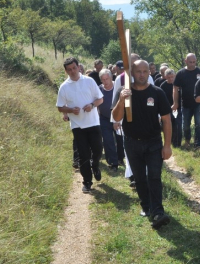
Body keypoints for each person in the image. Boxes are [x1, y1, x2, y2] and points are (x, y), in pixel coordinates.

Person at [112, 60, 173, 229]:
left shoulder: (157, 92)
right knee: (139, 178)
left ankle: (158, 212)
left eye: (145, 71)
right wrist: (122, 100)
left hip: (153, 142)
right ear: (132, 73)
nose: (142, 74)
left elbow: (167, 120)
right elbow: (116, 117)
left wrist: (167, 145)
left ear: (149, 73)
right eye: (138, 71)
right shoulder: (124, 92)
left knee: (154, 176)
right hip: (131, 142)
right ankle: (146, 207)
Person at [57, 57, 104, 193]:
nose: (72, 71)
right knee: (83, 155)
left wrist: (92, 105)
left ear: (79, 67)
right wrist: (71, 110)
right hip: (77, 126)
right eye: (69, 69)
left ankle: (95, 165)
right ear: (66, 71)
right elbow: (60, 107)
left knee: (97, 150)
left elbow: (100, 99)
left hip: (93, 122)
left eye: (74, 68)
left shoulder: (89, 81)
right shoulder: (64, 87)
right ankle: (87, 182)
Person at [172, 53, 200, 148]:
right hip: (186, 104)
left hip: (199, 103)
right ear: (185, 61)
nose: (192, 64)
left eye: (194, 62)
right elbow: (175, 88)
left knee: (199, 124)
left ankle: (198, 143)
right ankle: (187, 140)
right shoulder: (181, 73)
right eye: (190, 62)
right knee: (186, 125)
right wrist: (175, 102)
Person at [98, 68, 120, 171]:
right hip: (104, 118)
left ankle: (121, 158)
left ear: (111, 78)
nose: (105, 81)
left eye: (107, 79)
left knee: (120, 139)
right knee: (107, 140)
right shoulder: (99, 89)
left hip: (118, 117)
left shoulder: (118, 87)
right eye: (103, 79)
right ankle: (113, 163)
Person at [159, 68, 182, 148]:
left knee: (178, 124)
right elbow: (161, 99)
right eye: (169, 77)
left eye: (172, 77)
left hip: (179, 107)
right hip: (167, 108)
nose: (171, 79)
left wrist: (177, 105)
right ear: (165, 77)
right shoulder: (163, 86)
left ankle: (177, 143)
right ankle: (170, 140)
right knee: (170, 125)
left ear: (175, 76)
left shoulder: (178, 84)